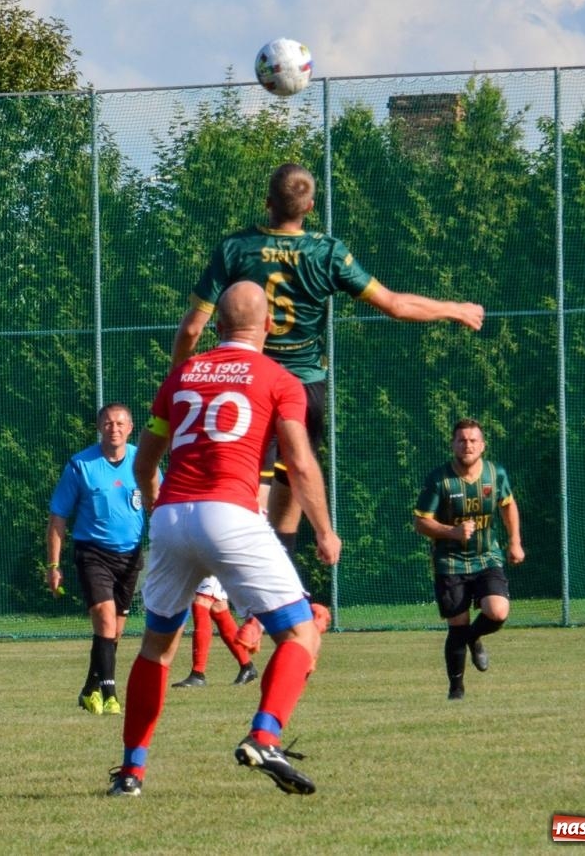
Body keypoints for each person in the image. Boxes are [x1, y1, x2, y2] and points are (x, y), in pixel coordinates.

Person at [172, 163, 483, 579]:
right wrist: (454, 309)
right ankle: (277, 586)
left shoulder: (236, 248)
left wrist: (181, 376)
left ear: (267, 202)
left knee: (248, 491)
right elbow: (394, 305)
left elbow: (193, 328)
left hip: (250, 383)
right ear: (310, 207)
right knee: (292, 486)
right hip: (303, 390)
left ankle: (230, 589)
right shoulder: (328, 252)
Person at [108, 281, 342, 798]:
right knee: (302, 634)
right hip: (230, 513)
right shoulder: (280, 379)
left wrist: (160, 509)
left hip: (172, 515)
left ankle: (131, 773)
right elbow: (300, 464)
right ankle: (265, 736)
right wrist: (325, 531)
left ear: (217, 327)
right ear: (269, 327)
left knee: (156, 650)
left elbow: (145, 463)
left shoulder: (182, 374)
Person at [413, 417, 524, 700]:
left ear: (483, 445)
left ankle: (474, 637)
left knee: (497, 612)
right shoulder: (439, 479)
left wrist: (515, 542)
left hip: (487, 556)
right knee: (457, 625)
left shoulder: (495, 474)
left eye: (473, 440)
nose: (468, 445)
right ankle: (456, 691)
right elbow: (421, 522)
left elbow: (508, 505)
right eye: (462, 440)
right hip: (450, 561)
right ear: (453, 445)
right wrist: (452, 531)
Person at [45, 403, 144, 716]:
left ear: (130, 428)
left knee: (114, 631)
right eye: (108, 423)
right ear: (99, 427)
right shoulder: (81, 465)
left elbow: (161, 500)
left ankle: (90, 689)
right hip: (93, 553)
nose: (114, 429)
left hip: (130, 556)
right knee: (105, 618)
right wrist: (53, 565)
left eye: (120, 424)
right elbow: (58, 517)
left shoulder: (143, 461)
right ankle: (111, 695)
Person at [171, 576, 257, 688]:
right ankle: (247, 666)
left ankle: (198, 674)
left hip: (214, 565)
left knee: (201, 602)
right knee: (218, 608)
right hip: (207, 565)